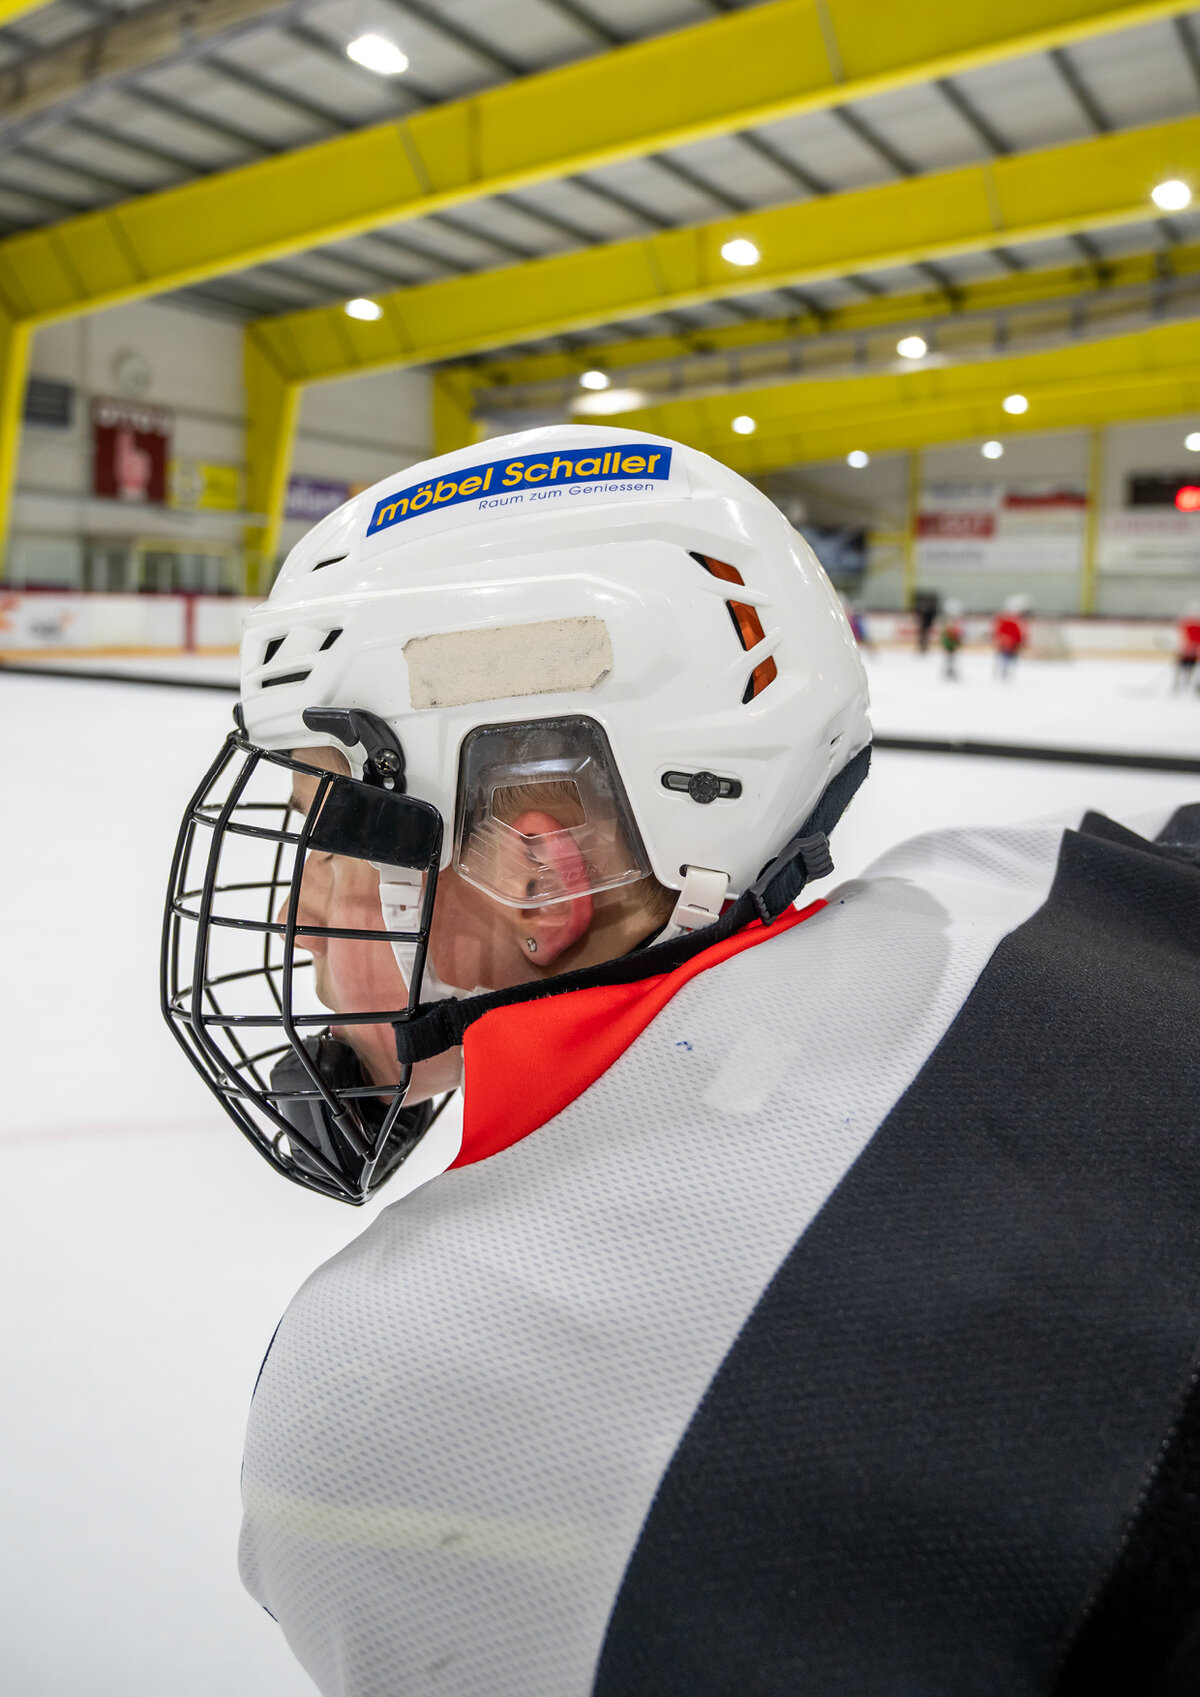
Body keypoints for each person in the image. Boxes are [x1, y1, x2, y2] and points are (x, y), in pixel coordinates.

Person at [162, 426, 1200, 1697]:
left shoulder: (386, 1403)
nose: (292, 913)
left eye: (331, 836)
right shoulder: (1036, 876)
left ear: (532, 873)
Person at [992, 592, 1029, 679]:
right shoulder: (1006, 620)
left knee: (1009, 659)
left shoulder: (1016, 620)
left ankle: (1006, 673)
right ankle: (1003, 673)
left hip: (1012, 644)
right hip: (1007, 643)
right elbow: (999, 631)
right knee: (1005, 658)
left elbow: (1019, 633)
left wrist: (1020, 641)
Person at [1175, 600, 1200, 693]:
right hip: (1188, 652)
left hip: (1190, 652)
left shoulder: (1186, 623)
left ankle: (1180, 685)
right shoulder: (1186, 624)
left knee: (1187, 670)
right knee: (1185, 669)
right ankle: (1180, 685)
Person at [939, 596, 965, 680]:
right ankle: (949, 672)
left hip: (952, 646)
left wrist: (957, 641)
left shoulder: (954, 625)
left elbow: (956, 635)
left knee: (951, 659)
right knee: (949, 659)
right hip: (949, 646)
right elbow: (946, 637)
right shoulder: (947, 626)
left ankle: (950, 672)